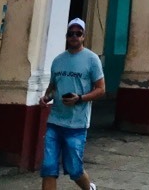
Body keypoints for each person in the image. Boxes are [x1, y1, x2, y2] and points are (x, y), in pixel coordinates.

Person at [39, 18, 105, 190]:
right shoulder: (58, 60)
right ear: (66, 36)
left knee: (74, 169)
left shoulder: (91, 60)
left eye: (78, 33)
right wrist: (46, 98)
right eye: (71, 33)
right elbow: (53, 87)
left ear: (83, 36)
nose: (74, 36)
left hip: (77, 124)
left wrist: (80, 98)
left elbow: (101, 89)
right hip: (54, 122)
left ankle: (89, 188)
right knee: (48, 168)